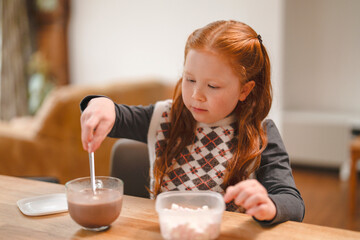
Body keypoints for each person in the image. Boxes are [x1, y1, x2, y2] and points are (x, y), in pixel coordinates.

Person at [80, 20, 305, 226]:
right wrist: (100, 104)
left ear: (244, 90)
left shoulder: (261, 135)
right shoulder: (163, 117)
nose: (197, 95)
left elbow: (292, 202)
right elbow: (117, 116)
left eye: (213, 86)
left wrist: (269, 205)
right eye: (190, 79)